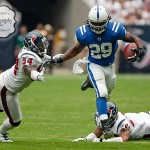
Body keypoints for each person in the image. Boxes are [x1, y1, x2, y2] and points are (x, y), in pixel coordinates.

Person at [48, 5, 145, 139]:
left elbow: (134, 38)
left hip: (109, 66)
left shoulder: (115, 30)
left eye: (101, 24)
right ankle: (105, 125)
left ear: (108, 20)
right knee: (102, 92)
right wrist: (61, 58)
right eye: (95, 24)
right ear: (89, 22)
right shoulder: (84, 33)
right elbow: (76, 50)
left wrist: (140, 49)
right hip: (94, 64)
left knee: (108, 97)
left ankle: (91, 81)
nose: (98, 27)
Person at [0, 30, 51, 142]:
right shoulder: (27, 55)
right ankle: (1, 133)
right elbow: (27, 68)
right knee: (15, 121)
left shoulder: (34, 53)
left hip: (8, 86)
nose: (42, 46)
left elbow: (46, 59)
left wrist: (57, 58)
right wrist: (35, 75)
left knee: (14, 119)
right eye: (39, 44)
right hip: (6, 89)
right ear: (31, 45)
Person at [73, 102, 150, 142]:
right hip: (141, 116)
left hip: (146, 125)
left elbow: (124, 138)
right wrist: (86, 139)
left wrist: (103, 141)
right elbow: (97, 132)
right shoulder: (110, 120)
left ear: (113, 114)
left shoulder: (121, 123)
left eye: (106, 114)